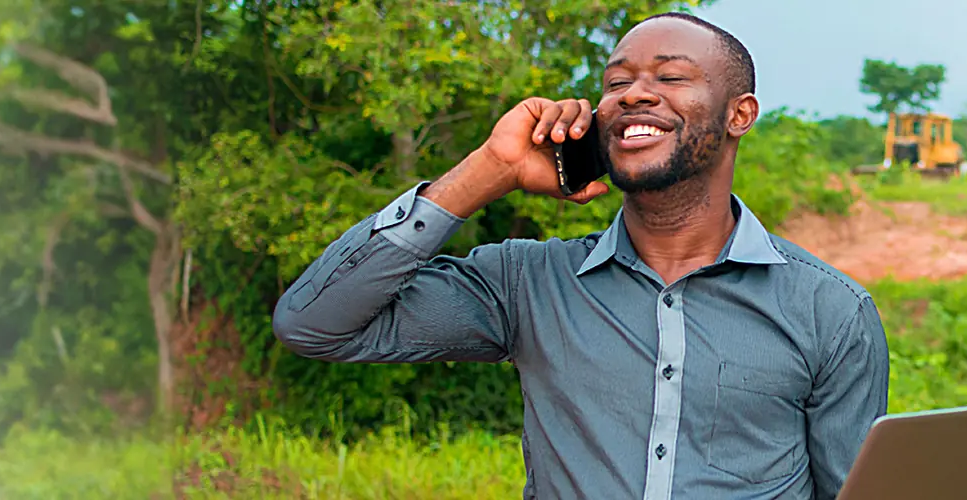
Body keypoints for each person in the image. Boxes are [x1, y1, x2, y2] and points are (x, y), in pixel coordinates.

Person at [271, 13, 888, 500]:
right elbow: (313, 324)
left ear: (740, 114)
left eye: (670, 78)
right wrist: (492, 169)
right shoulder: (528, 284)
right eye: (617, 83)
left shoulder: (830, 310)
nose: (633, 96)